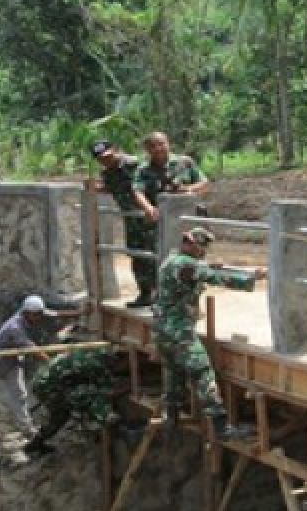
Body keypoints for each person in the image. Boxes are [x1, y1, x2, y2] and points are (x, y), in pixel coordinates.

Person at [153, 227, 265, 440]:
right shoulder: (186, 264)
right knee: (202, 371)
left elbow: (196, 273)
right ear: (191, 244)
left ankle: (171, 419)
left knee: (174, 372)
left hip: (162, 329)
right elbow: (215, 278)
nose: (203, 252)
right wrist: (250, 277)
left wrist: (206, 267)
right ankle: (221, 427)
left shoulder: (171, 260)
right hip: (179, 331)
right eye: (201, 247)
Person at [0, 294, 85, 443]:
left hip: (12, 359)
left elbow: (54, 314)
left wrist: (79, 313)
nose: (39, 318)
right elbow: (32, 349)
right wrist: (52, 363)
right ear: (27, 313)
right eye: (36, 315)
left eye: (39, 314)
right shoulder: (14, 327)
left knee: (20, 395)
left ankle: (27, 430)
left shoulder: (35, 312)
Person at [128, 131, 210, 308]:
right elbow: (137, 191)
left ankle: (191, 302)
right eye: (152, 146)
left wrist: (189, 190)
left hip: (188, 221)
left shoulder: (185, 162)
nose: (158, 148)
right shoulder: (144, 169)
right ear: (147, 150)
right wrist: (148, 208)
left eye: (161, 143)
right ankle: (158, 298)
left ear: (168, 143)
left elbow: (204, 183)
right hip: (160, 222)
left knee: (191, 259)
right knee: (158, 260)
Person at [24, 346, 124, 456]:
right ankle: (104, 420)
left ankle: (35, 444)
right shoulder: (96, 365)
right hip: (48, 387)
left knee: (60, 416)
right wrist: (123, 388)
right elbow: (107, 389)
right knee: (89, 395)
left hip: (42, 381)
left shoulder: (85, 354)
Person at [90, 140, 155, 308]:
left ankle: (161, 296)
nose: (106, 160)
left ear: (116, 150)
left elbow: (147, 185)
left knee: (155, 255)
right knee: (137, 256)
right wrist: (95, 188)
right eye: (101, 159)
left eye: (108, 156)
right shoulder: (107, 174)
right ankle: (145, 294)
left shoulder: (135, 164)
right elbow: (113, 188)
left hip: (150, 217)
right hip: (132, 220)